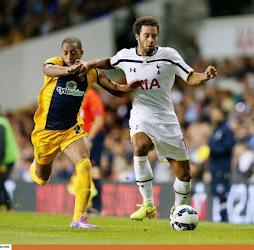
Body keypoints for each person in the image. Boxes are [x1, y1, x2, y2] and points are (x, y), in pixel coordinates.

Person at [79, 16, 217, 221]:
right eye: (146, 36)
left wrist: (204, 75)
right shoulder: (126, 56)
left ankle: (178, 210)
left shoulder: (168, 55)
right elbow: (109, 62)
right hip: (141, 114)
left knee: (184, 175)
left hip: (166, 119)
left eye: (154, 36)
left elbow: (190, 76)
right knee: (140, 145)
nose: (151, 40)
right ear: (137, 36)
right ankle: (148, 204)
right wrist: (89, 64)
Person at [29, 37, 142, 229]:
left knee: (84, 165)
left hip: (70, 130)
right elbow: (46, 69)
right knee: (42, 179)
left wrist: (127, 88)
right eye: (65, 52)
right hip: (46, 132)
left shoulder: (91, 72)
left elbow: (113, 88)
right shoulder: (56, 64)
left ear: (81, 53)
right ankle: (36, 163)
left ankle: (78, 218)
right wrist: (66, 70)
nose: (69, 56)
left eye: (73, 53)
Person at [67, 87, 106, 215]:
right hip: (81, 136)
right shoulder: (77, 94)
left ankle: (97, 207)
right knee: (83, 170)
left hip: (92, 136)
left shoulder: (91, 95)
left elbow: (99, 119)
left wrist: (90, 138)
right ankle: (87, 206)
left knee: (93, 170)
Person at [0, 102, 20, 211]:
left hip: (6, 159)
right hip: (5, 158)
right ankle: (4, 205)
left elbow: (2, 144)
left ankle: (6, 206)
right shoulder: (1, 121)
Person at [208, 106, 235, 222]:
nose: (213, 116)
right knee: (216, 192)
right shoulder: (215, 130)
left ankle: (224, 216)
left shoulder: (226, 130)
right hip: (214, 166)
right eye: (212, 113)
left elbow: (227, 147)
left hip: (222, 166)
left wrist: (211, 150)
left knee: (222, 192)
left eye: (216, 113)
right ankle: (221, 215)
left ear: (223, 115)